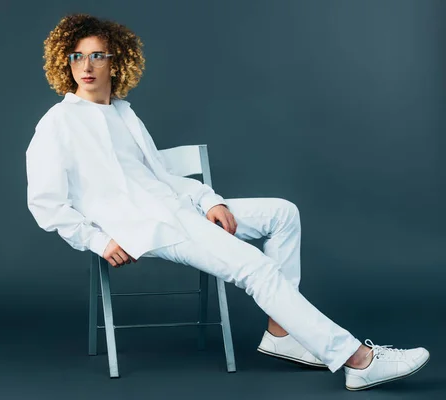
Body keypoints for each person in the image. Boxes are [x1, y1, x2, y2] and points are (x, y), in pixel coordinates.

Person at [25, 13, 430, 391]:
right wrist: (98, 241)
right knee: (253, 267)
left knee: (283, 214)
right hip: (148, 227)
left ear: (117, 62)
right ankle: (357, 360)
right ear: (66, 62)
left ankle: (282, 334)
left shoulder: (124, 114)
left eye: (97, 54)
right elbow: (45, 202)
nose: (86, 65)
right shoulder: (59, 123)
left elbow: (161, 178)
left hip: (176, 209)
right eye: (77, 56)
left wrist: (209, 200)